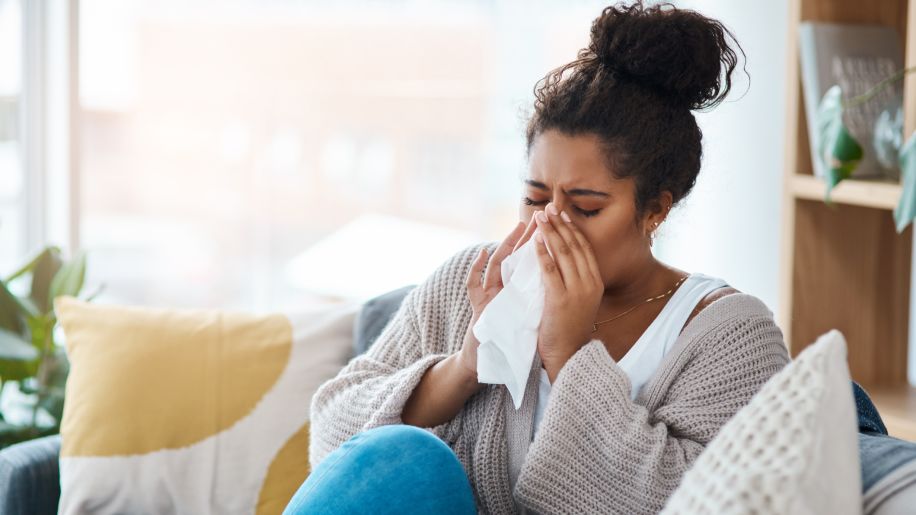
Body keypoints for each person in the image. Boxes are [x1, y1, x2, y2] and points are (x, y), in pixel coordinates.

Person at [286, 2, 790, 514]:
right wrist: (463, 368)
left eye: (585, 207)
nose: (548, 225)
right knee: (409, 457)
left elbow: (705, 502)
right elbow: (335, 443)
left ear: (655, 209)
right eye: (534, 199)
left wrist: (571, 353)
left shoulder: (729, 337)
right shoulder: (473, 280)